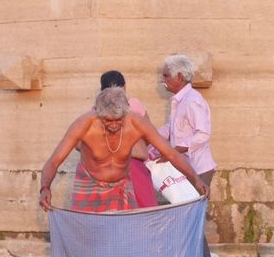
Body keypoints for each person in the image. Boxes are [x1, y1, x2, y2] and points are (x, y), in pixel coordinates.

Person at [39, 86, 206, 213]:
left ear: (126, 113)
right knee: (89, 240)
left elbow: (170, 153)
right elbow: (54, 161)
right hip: (90, 184)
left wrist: (196, 179)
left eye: (118, 120)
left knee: (126, 237)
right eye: (108, 121)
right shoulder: (84, 124)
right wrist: (45, 188)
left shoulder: (136, 122)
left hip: (122, 186)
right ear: (98, 113)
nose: (113, 125)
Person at [160, 54, 217, 257]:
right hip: (185, 168)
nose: (162, 80)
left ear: (180, 77)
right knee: (187, 217)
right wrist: (151, 136)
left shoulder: (192, 100)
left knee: (192, 218)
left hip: (199, 169)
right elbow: (172, 129)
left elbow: (202, 134)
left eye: (166, 75)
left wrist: (177, 151)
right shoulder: (179, 100)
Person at [99, 70, 159, 207]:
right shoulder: (133, 104)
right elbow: (150, 133)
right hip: (132, 163)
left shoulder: (98, 109)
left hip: (113, 166)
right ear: (124, 87)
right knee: (142, 206)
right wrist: (137, 145)